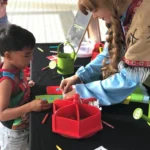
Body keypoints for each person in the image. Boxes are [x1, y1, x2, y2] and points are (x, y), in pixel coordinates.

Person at [60, 0, 150, 105]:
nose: (94, 16)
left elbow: (129, 79)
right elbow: (109, 53)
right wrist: (80, 75)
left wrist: (83, 92)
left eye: (94, 10)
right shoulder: (123, 14)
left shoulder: (144, 21)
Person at [0, 24, 51, 150]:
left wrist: (25, 84)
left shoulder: (17, 67)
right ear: (8, 56)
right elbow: (1, 114)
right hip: (15, 135)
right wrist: (30, 106)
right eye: (27, 55)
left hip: (24, 124)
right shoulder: (6, 82)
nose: (32, 58)